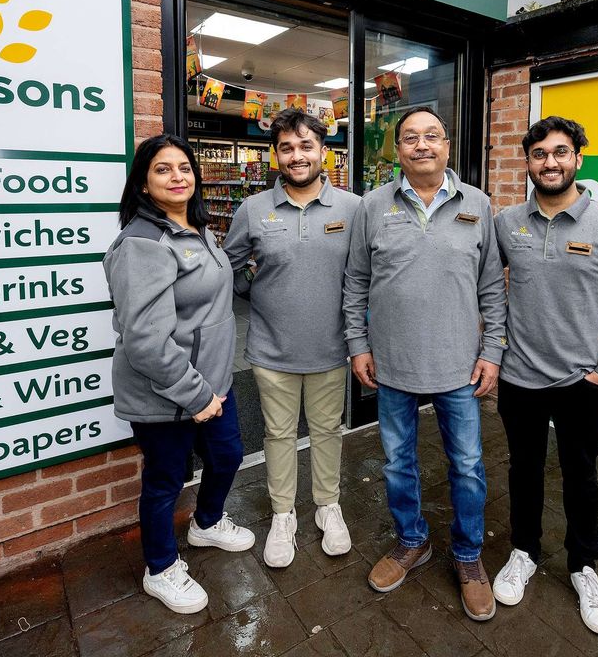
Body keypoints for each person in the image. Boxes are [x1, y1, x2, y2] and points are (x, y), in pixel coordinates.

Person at [343, 106, 507, 622]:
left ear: (447, 146)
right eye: (410, 138)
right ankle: (412, 542)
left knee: (467, 466)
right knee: (397, 463)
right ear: (398, 149)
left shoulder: (478, 205)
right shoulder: (372, 206)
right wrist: (358, 345)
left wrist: (492, 351)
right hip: (392, 365)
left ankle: (468, 555)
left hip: (459, 365)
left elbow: (491, 288)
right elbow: (355, 283)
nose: (421, 146)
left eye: (431, 136)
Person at [490, 117, 598, 635]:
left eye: (560, 152)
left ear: (578, 158)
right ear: (528, 162)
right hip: (520, 378)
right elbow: (486, 290)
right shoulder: (507, 222)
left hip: (583, 382)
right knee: (523, 470)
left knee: (581, 475)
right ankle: (524, 552)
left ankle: (583, 566)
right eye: (538, 154)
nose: (550, 162)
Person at [103, 134, 256, 615]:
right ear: (144, 184)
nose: (177, 177)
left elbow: (210, 302)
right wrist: (195, 395)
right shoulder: (142, 244)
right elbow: (145, 340)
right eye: (163, 169)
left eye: (184, 167)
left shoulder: (199, 229)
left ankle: (207, 523)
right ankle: (160, 567)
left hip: (214, 384)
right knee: (166, 480)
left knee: (228, 456)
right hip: (167, 393)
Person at [223, 108, 361, 568]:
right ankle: (283, 515)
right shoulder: (253, 209)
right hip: (270, 349)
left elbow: (364, 275)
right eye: (287, 148)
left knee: (327, 431)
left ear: (324, 151)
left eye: (306, 146)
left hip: (331, 348)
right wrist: (251, 287)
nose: (297, 156)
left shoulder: (353, 208)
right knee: (278, 434)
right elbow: (229, 265)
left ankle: (328, 505)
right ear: (275, 155)